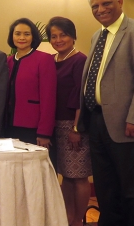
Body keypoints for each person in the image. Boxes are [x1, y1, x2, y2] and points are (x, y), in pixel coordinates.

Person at [77, 0, 134, 226]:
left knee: (128, 187)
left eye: (106, 3)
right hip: (97, 120)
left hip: (124, 123)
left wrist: (133, 117)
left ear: (120, 2)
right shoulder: (97, 35)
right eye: (95, 6)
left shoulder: (132, 32)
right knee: (104, 184)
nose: (100, 10)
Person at [45, 16, 90, 226]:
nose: (58, 40)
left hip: (74, 126)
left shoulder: (80, 60)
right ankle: (67, 218)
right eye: (54, 36)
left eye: (63, 35)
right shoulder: (51, 60)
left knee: (79, 177)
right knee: (66, 175)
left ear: (72, 36)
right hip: (55, 126)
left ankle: (78, 220)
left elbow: (82, 96)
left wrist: (76, 128)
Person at [5, 18, 56, 147]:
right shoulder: (7, 61)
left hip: (32, 126)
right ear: (12, 36)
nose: (22, 37)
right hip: (7, 125)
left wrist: (44, 132)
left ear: (33, 36)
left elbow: (48, 98)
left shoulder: (44, 59)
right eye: (17, 34)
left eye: (27, 34)